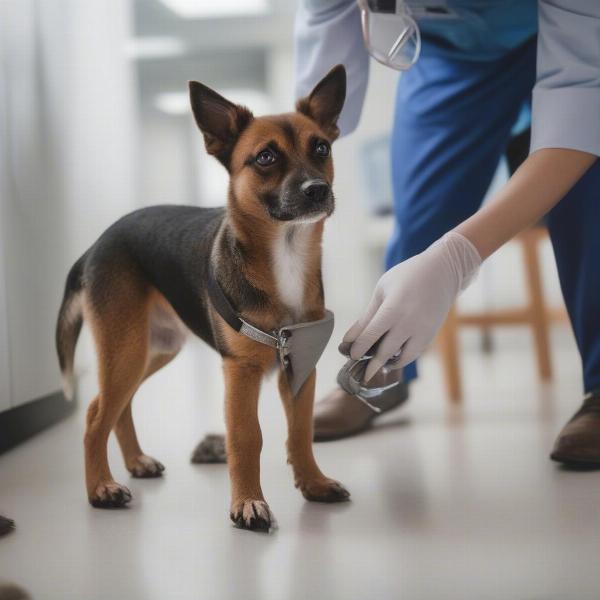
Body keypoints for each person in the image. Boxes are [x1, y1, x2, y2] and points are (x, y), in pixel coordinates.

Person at [294, 0, 600, 465]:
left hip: (570, 35)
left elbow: (583, 108)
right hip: (450, 55)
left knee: (590, 198)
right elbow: (312, 111)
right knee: (420, 217)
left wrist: (459, 256)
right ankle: (378, 378)